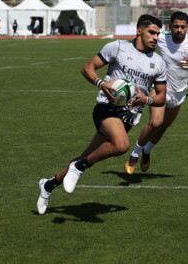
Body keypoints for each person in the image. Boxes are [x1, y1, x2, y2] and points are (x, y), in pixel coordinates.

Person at [36, 14, 167, 215]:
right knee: (121, 145)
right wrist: (101, 84)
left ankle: (48, 185)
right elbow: (87, 68)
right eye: (152, 32)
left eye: (158, 34)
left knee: (88, 154)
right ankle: (79, 167)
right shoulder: (117, 47)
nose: (156, 37)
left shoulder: (158, 62)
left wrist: (145, 99)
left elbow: (161, 97)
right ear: (139, 31)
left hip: (128, 117)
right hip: (106, 108)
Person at [125, 11, 188, 174]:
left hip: (179, 93)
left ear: (187, 27)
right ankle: (134, 154)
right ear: (170, 26)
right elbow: (142, 42)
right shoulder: (162, 38)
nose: (179, 30)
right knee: (155, 123)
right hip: (159, 88)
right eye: (176, 26)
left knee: (163, 127)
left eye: (183, 27)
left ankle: (146, 151)